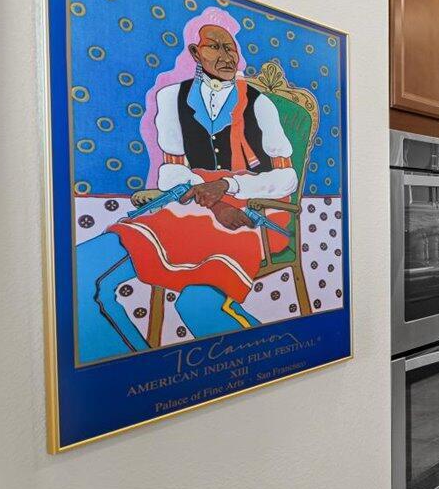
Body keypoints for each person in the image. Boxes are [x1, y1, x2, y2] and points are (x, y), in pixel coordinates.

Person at [74, 24, 297, 363]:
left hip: (253, 210)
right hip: (190, 202)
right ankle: (133, 375)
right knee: (80, 274)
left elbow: (287, 176)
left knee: (198, 303)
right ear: (195, 53)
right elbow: (170, 170)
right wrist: (211, 198)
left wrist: (229, 186)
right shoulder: (171, 98)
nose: (225, 56)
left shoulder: (259, 103)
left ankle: (273, 367)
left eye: (230, 49)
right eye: (215, 47)